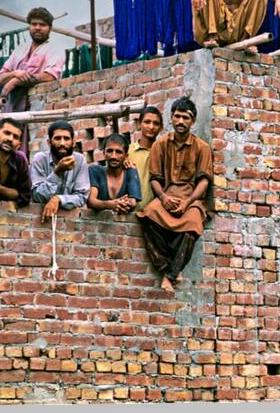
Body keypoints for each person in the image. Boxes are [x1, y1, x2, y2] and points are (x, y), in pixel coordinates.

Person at [136, 97, 212, 292]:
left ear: (192, 121)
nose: (180, 121)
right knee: (147, 215)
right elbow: (155, 178)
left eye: (185, 118)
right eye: (177, 116)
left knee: (193, 224)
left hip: (191, 199)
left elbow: (204, 181)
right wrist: (163, 198)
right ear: (171, 118)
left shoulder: (202, 147)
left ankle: (169, 276)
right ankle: (166, 266)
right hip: (166, 196)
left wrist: (188, 202)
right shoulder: (160, 145)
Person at [0, 6, 65, 154]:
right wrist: (16, 73)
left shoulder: (54, 49)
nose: (38, 28)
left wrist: (16, 81)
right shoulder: (20, 49)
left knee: (23, 150)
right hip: (9, 106)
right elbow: (1, 77)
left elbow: (50, 76)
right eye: (34, 24)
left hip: (31, 107)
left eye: (42, 25)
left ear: (50, 28)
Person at [31, 120, 90, 222]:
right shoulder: (39, 159)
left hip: (71, 222)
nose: (62, 143)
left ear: (73, 142)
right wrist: (57, 173)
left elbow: (81, 197)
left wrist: (58, 199)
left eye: (66, 139)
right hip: (40, 220)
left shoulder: (80, 160)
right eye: (57, 138)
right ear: (49, 142)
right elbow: (37, 196)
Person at [87, 133, 141, 213]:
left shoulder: (130, 171)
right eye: (109, 151)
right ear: (104, 153)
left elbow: (133, 202)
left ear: (126, 156)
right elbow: (91, 201)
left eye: (119, 152)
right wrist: (112, 204)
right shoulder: (95, 171)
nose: (113, 156)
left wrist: (119, 204)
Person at [126, 106, 163, 211]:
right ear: (139, 124)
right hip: (130, 212)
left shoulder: (163, 152)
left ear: (161, 128)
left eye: (156, 123)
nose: (151, 127)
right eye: (147, 122)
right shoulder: (128, 152)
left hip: (156, 213)